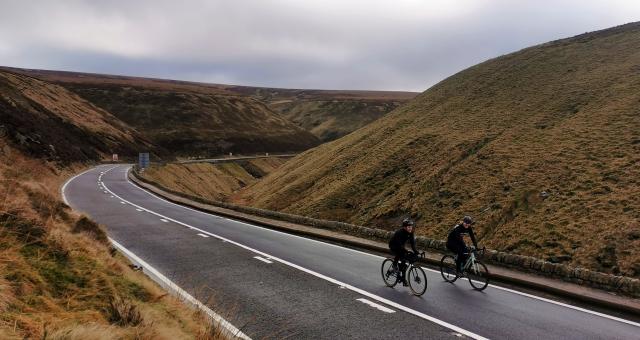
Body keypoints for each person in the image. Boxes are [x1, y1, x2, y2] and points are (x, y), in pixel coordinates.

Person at [388, 218, 418, 285]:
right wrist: (406, 250)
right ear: (404, 227)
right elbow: (399, 245)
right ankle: (394, 266)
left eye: (411, 227)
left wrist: (416, 251)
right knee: (400, 254)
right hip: (394, 245)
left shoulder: (411, 233)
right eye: (408, 227)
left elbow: (412, 243)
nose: (410, 228)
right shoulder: (399, 233)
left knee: (404, 263)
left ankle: (402, 277)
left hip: (401, 245)